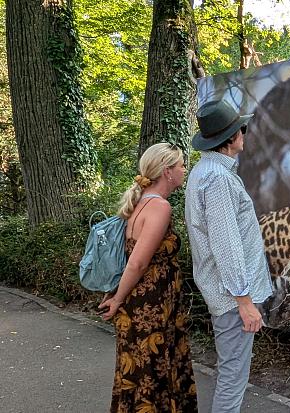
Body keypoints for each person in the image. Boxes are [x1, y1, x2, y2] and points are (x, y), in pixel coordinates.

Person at [185, 99, 273, 413]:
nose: (244, 135)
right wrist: (245, 302)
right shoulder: (218, 180)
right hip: (232, 300)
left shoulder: (204, 172)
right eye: (241, 130)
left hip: (228, 296)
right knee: (233, 376)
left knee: (232, 371)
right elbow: (226, 244)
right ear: (231, 139)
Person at [98, 143, 198, 413]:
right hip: (151, 308)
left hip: (144, 305)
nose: (183, 170)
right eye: (180, 165)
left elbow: (128, 259)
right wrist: (117, 299)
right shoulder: (159, 208)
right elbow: (138, 262)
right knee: (153, 371)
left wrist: (118, 294)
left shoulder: (138, 204)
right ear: (167, 171)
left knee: (139, 372)